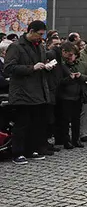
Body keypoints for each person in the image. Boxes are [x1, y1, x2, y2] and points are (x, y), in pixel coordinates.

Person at [6, 20, 54, 165]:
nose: (41, 37)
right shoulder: (15, 47)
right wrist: (32, 68)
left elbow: (40, 63)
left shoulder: (39, 46)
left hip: (37, 92)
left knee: (35, 124)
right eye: (39, 34)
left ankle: (29, 149)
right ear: (31, 31)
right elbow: (9, 68)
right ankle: (17, 153)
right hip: (22, 93)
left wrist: (46, 66)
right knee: (22, 124)